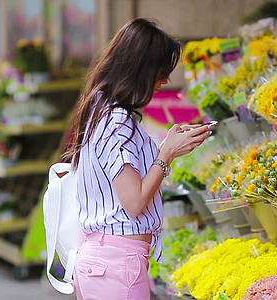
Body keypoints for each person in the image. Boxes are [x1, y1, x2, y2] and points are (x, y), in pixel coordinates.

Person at [62, 18, 212, 299]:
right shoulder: (117, 120)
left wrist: (168, 144)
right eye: (160, 72)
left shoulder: (100, 108)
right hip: (117, 266)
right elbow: (134, 201)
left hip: (104, 261)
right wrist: (167, 154)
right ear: (139, 70)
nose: (165, 81)